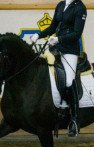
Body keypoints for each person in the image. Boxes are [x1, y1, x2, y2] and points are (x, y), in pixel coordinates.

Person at [31, 0, 87, 137]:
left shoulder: (80, 8)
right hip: (55, 49)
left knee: (68, 81)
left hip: (69, 50)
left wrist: (59, 39)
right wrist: (38, 35)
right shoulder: (61, 5)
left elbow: (77, 33)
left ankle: (74, 120)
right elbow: (52, 27)